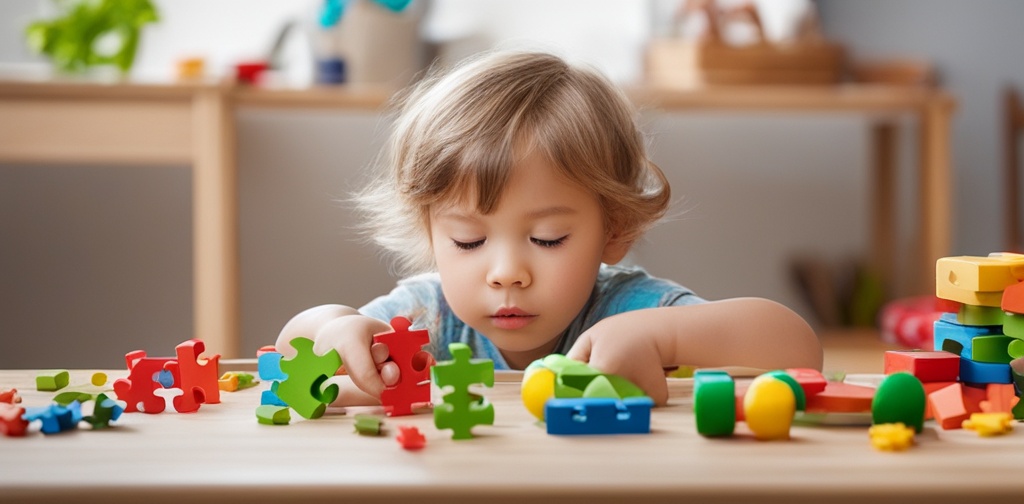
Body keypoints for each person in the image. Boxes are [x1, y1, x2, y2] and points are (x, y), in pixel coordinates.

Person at [275, 50, 822, 406]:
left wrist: (663, 335)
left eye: (547, 239)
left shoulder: (630, 312)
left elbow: (797, 349)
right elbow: (290, 358)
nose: (507, 272)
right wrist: (330, 328)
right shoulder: (426, 315)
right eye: (468, 241)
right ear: (431, 234)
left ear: (616, 229)